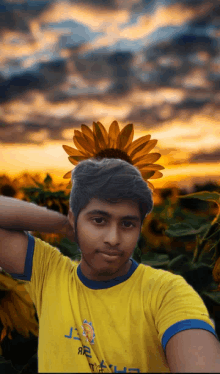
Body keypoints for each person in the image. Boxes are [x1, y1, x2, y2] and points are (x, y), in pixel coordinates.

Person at [0, 157, 219, 373]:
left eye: (127, 224)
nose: (113, 238)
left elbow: (196, 351)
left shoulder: (166, 292)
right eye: (99, 220)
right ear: (74, 219)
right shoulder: (48, 272)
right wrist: (62, 225)